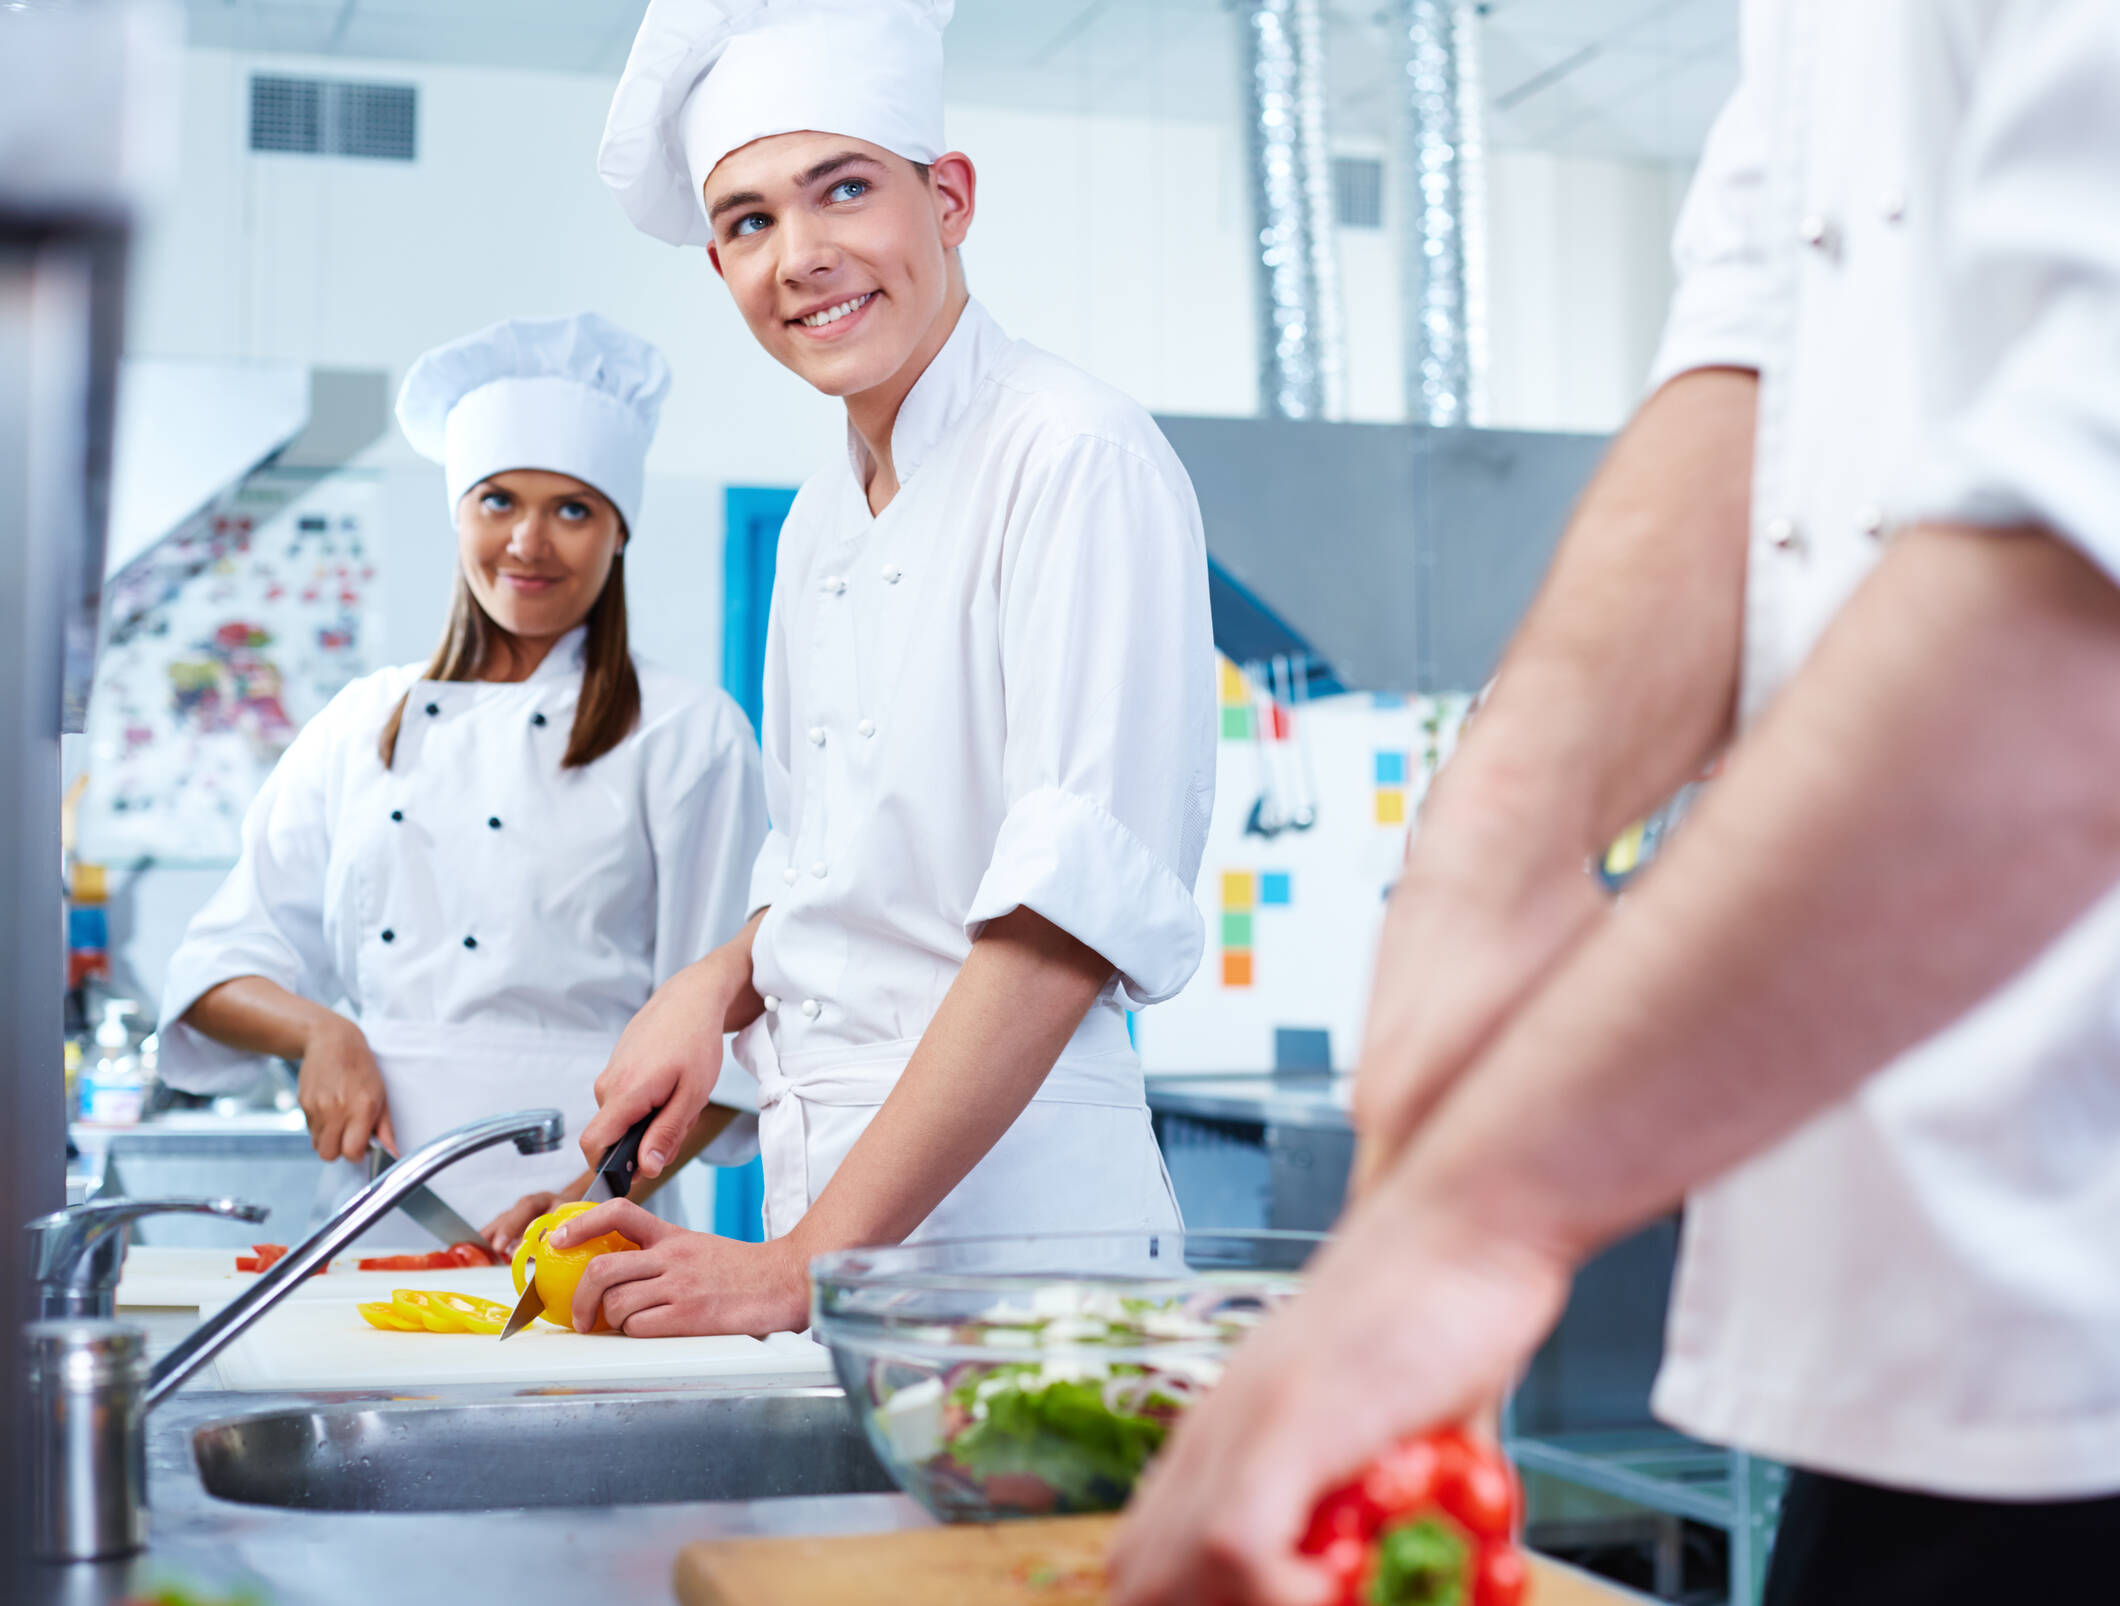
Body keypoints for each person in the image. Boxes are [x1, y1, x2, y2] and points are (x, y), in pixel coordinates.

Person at [1109, 3, 2120, 1603]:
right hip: (1928, 1330)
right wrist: (1492, 844)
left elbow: (2084, 581)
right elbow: (1754, 345)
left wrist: (1475, 1213)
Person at [534, 0, 1216, 1339]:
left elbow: (1061, 920)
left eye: (844, 189)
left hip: (1027, 1259)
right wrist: (716, 983)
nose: (801, 256)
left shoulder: (1073, 456)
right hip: (846, 1234)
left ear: (948, 198)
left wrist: (801, 1260)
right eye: (748, 221)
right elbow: (854, 866)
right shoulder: (817, 523)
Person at [157, 312, 767, 1233]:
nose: (528, 542)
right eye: (497, 501)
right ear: (459, 515)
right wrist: (324, 1031)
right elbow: (213, 973)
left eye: (572, 509)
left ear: (619, 534)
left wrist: (588, 1201)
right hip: (375, 1216)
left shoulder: (687, 733)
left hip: (590, 1222)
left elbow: (730, 1037)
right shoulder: (360, 724)